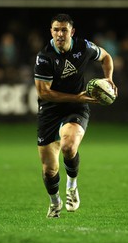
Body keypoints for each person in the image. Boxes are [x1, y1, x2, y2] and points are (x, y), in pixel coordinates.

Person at [34, 13, 116, 218]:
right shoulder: (44, 57)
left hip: (76, 108)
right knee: (49, 169)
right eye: (56, 30)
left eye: (64, 29)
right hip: (50, 110)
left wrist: (109, 79)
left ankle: (72, 186)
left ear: (72, 31)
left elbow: (106, 57)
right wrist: (78, 97)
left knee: (69, 146)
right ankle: (55, 203)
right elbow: (44, 92)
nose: (60, 34)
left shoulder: (84, 47)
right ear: (51, 32)